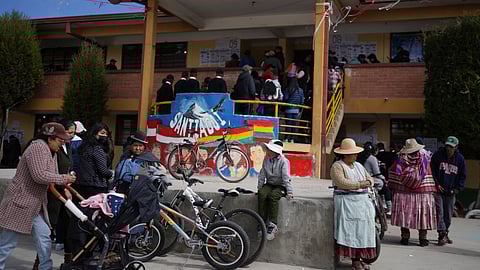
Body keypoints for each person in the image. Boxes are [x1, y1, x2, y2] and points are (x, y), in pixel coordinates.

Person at [0, 123, 76, 270]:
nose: (62, 145)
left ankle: (45, 267)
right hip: (20, 202)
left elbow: (50, 176)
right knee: (8, 242)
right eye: (60, 141)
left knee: (44, 238)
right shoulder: (37, 147)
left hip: (36, 204)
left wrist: (63, 188)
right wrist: (64, 179)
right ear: (51, 138)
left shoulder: (51, 151)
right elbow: (39, 176)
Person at [330, 138, 376, 270]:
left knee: (362, 232)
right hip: (347, 202)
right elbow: (342, 182)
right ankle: (354, 261)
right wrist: (361, 184)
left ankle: (359, 259)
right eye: (352, 153)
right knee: (350, 232)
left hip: (362, 203)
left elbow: (370, 178)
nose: (355, 155)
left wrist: (368, 182)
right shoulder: (337, 166)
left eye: (356, 153)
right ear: (345, 154)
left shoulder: (359, 166)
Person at [388, 138, 437, 247]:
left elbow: (392, 173)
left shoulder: (400, 160)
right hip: (422, 193)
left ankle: (405, 238)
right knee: (422, 215)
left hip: (403, 193)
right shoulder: (424, 160)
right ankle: (423, 239)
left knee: (405, 214)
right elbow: (429, 174)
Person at [431, 136, 466, 246]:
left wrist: (456, 189)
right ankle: (441, 234)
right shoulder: (438, 155)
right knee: (439, 212)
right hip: (438, 190)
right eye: (447, 146)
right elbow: (431, 171)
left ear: (456, 147)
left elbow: (463, 176)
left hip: (451, 192)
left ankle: (445, 232)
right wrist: (436, 184)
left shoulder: (460, 159)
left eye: (451, 147)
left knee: (448, 215)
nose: (448, 149)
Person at [257, 140, 293, 241]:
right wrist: (259, 188)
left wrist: (289, 191)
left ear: (276, 152)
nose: (268, 152)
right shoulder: (266, 159)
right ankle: (261, 222)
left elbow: (286, 177)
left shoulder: (284, 161)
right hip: (269, 184)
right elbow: (262, 174)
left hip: (280, 186)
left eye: (270, 150)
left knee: (273, 196)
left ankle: (273, 224)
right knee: (262, 194)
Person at [75, 123, 113, 198]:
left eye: (106, 133)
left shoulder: (84, 147)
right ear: (94, 133)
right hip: (96, 186)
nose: (105, 136)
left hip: (81, 184)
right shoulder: (97, 149)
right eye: (102, 133)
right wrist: (111, 174)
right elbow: (103, 170)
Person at [357, 142, 391, 215]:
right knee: (385, 187)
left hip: (359, 180)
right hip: (371, 180)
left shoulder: (358, 157)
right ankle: (388, 207)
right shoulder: (372, 158)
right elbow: (377, 173)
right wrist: (384, 179)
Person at [283, 77, 304, 143]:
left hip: (288, 109)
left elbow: (285, 98)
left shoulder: (288, 89)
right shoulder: (300, 90)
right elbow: (302, 101)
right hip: (296, 110)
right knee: (294, 125)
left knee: (288, 124)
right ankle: (292, 139)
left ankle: (286, 139)